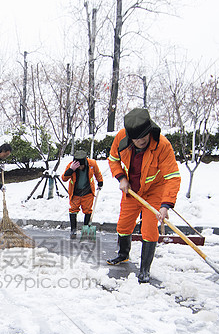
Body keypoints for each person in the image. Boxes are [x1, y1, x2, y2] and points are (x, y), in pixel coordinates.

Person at [106, 108, 181, 283]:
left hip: (154, 191)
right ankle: (123, 254)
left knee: (149, 229)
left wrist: (165, 204)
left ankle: (145, 269)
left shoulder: (162, 146)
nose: (140, 141)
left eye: (144, 136)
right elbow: (113, 159)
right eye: (136, 138)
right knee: (123, 225)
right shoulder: (121, 137)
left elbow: (172, 177)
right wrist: (121, 178)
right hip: (131, 189)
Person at [61, 149, 103, 238]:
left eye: (81, 166)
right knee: (73, 210)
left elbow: (97, 173)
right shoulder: (71, 166)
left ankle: (86, 230)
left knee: (88, 210)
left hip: (88, 193)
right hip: (75, 193)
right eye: (78, 167)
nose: (80, 168)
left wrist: (100, 182)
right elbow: (64, 178)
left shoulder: (92, 164)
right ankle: (73, 230)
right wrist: (71, 170)